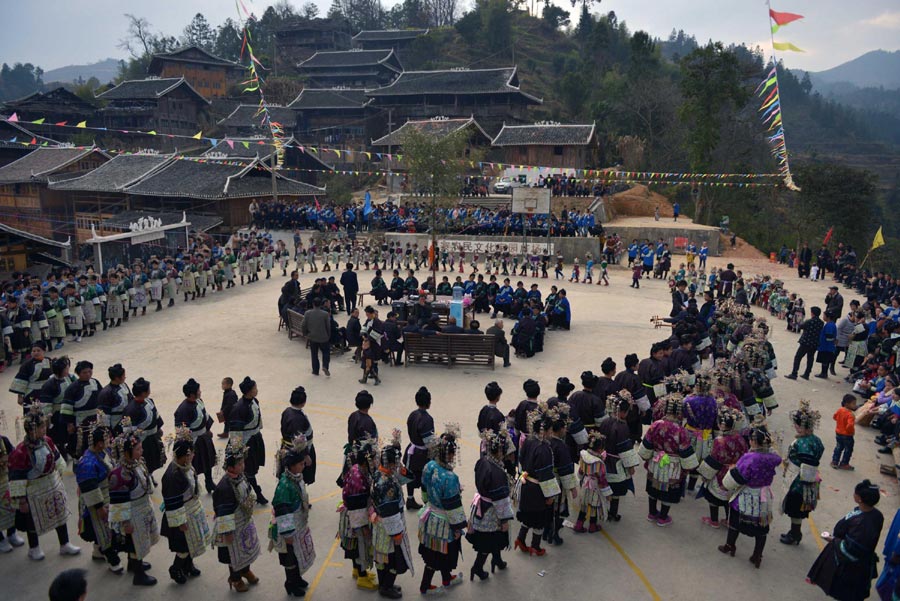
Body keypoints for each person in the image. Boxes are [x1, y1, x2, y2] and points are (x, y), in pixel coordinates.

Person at [9, 403, 81, 560]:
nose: (44, 430)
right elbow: (16, 477)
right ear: (31, 430)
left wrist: (60, 475)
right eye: (41, 428)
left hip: (52, 484)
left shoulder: (47, 440)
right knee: (33, 521)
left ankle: (64, 544)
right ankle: (34, 548)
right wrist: (22, 501)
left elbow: (57, 458)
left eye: (44, 427)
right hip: (34, 491)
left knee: (60, 515)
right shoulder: (20, 452)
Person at [717, 416, 782, 568]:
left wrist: (729, 477)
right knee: (761, 528)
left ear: (754, 441)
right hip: (764, 496)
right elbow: (779, 459)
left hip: (747, 494)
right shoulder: (773, 458)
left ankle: (730, 545)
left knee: (735, 521)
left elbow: (739, 477)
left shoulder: (750, 458)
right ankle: (757, 555)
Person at [807, 480, 883, 600]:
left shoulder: (862, 525)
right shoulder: (876, 514)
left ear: (860, 499)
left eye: (855, 493)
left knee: (847, 594)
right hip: (861, 564)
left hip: (851, 568)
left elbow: (851, 549)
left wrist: (832, 540)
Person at [108, 426, 159, 586]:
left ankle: (133, 564)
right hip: (132, 514)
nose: (141, 451)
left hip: (142, 508)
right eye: (138, 449)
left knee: (139, 542)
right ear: (127, 453)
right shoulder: (119, 475)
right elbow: (118, 503)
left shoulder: (137, 463)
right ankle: (139, 575)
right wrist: (125, 522)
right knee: (135, 542)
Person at [638, 393, 699, 526]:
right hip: (673, 466)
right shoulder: (681, 431)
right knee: (669, 490)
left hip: (655, 460)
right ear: (679, 413)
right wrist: (688, 468)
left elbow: (646, 445)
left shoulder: (656, 425)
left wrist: (646, 458)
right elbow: (685, 452)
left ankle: (652, 512)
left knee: (653, 486)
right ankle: (663, 517)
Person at [418, 428, 467, 593]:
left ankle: (446, 579)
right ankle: (425, 586)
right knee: (439, 554)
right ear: (451, 454)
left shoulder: (428, 466)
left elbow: (424, 491)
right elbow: (453, 507)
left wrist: (428, 502)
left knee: (436, 551)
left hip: (429, 515)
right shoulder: (450, 478)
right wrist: (458, 527)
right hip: (444, 521)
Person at [160, 426, 210, 585]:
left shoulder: (185, 466)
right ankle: (176, 569)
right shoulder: (173, 475)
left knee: (191, 542)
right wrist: (180, 522)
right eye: (191, 453)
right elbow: (172, 502)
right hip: (181, 516)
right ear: (185, 456)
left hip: (192, 508)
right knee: (183, 546)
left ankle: (188, 565)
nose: (193, 455)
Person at [270, 435, 315, 598]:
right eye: (301, 463)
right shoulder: (284, 487)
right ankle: (291, 583)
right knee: (290, 559)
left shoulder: (295, 478)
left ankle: (297, 579)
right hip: (288, 530)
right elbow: (282, 511)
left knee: (297, 555)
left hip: (298, 525)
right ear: (292, 466)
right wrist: (288, 534)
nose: (304, 466)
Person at [213, 439, 260, 593]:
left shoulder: (240, 476)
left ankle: (245, 570)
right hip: (232, 527)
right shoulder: (224, 488)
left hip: (243, 522)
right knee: (233, 555)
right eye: (239, 464)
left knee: (245, 549)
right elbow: (223, 512)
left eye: (242, 463)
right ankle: (235, 578)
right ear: (231, 467)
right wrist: (227, 533)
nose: (243, 466)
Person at [467, 428, 514, 580]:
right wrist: (505, 520)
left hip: (481, 503)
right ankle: (477, 567)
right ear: (499, 452)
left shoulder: (482, 461)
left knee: (494, 538)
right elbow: (501, 501)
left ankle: (497, 560)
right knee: (488, 541)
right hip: (491, 511)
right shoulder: (498, 473)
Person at [370, 433, 413, 599]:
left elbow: (408, 477)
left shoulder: (380, 474)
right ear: (391, 463)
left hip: (380, 525)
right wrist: (396, 533)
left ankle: (384, 585)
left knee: (382, 558)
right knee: (392, 558)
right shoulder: (387, 482)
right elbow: (390, 511)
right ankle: (386, 587)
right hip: (389, 526)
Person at [73, 422, 119, 572]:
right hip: (97, 500)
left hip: (107, 494)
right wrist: (99, 507)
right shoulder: (87, 464)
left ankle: (98, 551)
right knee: (104, 531)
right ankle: (113, 561)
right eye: (106, 440)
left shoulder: (102, 452)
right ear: (99, 444)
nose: (108, 442)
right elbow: (89, 488)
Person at [780, 400, 825, 546]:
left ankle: (795, 534)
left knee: (795, 509)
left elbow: (805, 462)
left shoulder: (801, 443)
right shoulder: (816, 440)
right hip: (809, 478)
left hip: (799, 480)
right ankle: (794, 532)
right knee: (797, 509)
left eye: (797, 425)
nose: (795, 427)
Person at [697, 406, 747, 530]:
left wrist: (705, 475)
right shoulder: (741, 439)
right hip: (735, 472)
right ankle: (728, 519)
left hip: (720, 472)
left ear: (722, 425)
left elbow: (714, 460)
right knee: (729, 498)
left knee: (713, 498)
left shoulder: (719, 441)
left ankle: (714, 520)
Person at [338, 438, 377, 591]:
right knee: (361, 544)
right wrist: (363, 526)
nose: (375, 462)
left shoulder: (357, 469)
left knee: (354, 545)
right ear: (365, 462)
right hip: (356, 519)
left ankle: (357, 569)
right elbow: (357, 508)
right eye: (373, 460)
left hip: (353, 515)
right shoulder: (358, 479)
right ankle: (362, 576)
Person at [596, 391, 640, 522]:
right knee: (616, 491)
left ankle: (601, 510)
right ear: (622, 412)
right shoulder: (622, 427)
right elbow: (625, 450)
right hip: (615, 463)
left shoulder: (605, 422)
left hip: (603, 459)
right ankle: (612, 513)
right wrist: (631, 466)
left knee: (604, 486)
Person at [173, 378, 217, 493]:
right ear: (192, 394)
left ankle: (209, 482)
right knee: (194, 466)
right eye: (199, 390)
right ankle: (194, 486)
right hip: (193, 442)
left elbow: (204, 415)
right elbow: (181, 432)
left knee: (207, 461)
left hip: (203, 437)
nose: (200, 392)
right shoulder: (183, 410)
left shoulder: (199, 401)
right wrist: (188, 447)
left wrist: (207, 429)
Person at [229, 377, 268, 505]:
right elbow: (235, 432)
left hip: (254, 439)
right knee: (247, 469)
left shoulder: (254, 401)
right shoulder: (239, 408)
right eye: (255, 388)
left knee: (251, 468)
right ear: (249, 391)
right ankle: (257, 493)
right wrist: (237, 451)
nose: (257, 390)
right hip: (246, 443)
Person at [123, 377, 164, 476]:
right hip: (142, 441)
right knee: (144, 461)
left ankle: (149, 476)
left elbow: (156, 415)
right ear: (143, 393)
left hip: (153, 437)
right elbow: (127, 430)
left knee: (153, 461)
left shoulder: (149, 401)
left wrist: (158, 428)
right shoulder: (130, 409)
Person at [404, 387, 436, 511]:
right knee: (425, 477)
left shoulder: (412, 414)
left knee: (410, 476)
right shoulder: (427, 419)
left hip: (411, 449)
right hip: (422, 454)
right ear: (428, 402)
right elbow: (428, 442)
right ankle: (426, 501)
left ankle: (410, 499)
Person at [574, 432, 612, 533]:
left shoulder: (583, 455)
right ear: (600, 449)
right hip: (595, 486)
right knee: (594, 505)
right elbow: (602, 480)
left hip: (585, 482)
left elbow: (581, 471)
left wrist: (580, 478)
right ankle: (592, 526)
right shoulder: (599, 463)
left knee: (584, 504)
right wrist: (607, 494)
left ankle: (579, 524)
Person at [280, 386, 316, 485]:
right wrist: (305, 455)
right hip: (297, 453)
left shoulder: (287, 411)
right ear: (304, 402)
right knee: (296, 476)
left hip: (289, 448)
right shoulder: (297, 419)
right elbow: (298, 441)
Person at [785, 306, 824, 381]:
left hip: (806, 342)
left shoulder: (809, 321)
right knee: (810, 358)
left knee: (798, 357)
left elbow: (800, 326)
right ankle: (807, 374)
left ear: (812, 313)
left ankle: (794, 373)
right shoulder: (821, 323)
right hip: (814, 343)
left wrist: (794, 323)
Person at [301, 298, 332, 376]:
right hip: (323, 337)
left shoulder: (307, 313)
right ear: (321, 304)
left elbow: (303, 325)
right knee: (326, 352)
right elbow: (328, 326)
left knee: (314, 354)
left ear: (313, 304)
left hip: (312, 337)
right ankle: (325, 366)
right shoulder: (325, 314)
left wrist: (305, 333)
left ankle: (315, 370)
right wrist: (328, 335)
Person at [831, 394, 857, 470]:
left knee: (838, 447)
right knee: (848, 449)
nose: (855, 406)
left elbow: (835, 417)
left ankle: (834, 461)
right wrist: (851, 432)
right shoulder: (850, 415)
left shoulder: (840, 410)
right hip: (847, 435)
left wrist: (840, 422)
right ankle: (844, 463)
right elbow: (850, 426)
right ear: (847, 404)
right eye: (853, 404)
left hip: (838, 433)